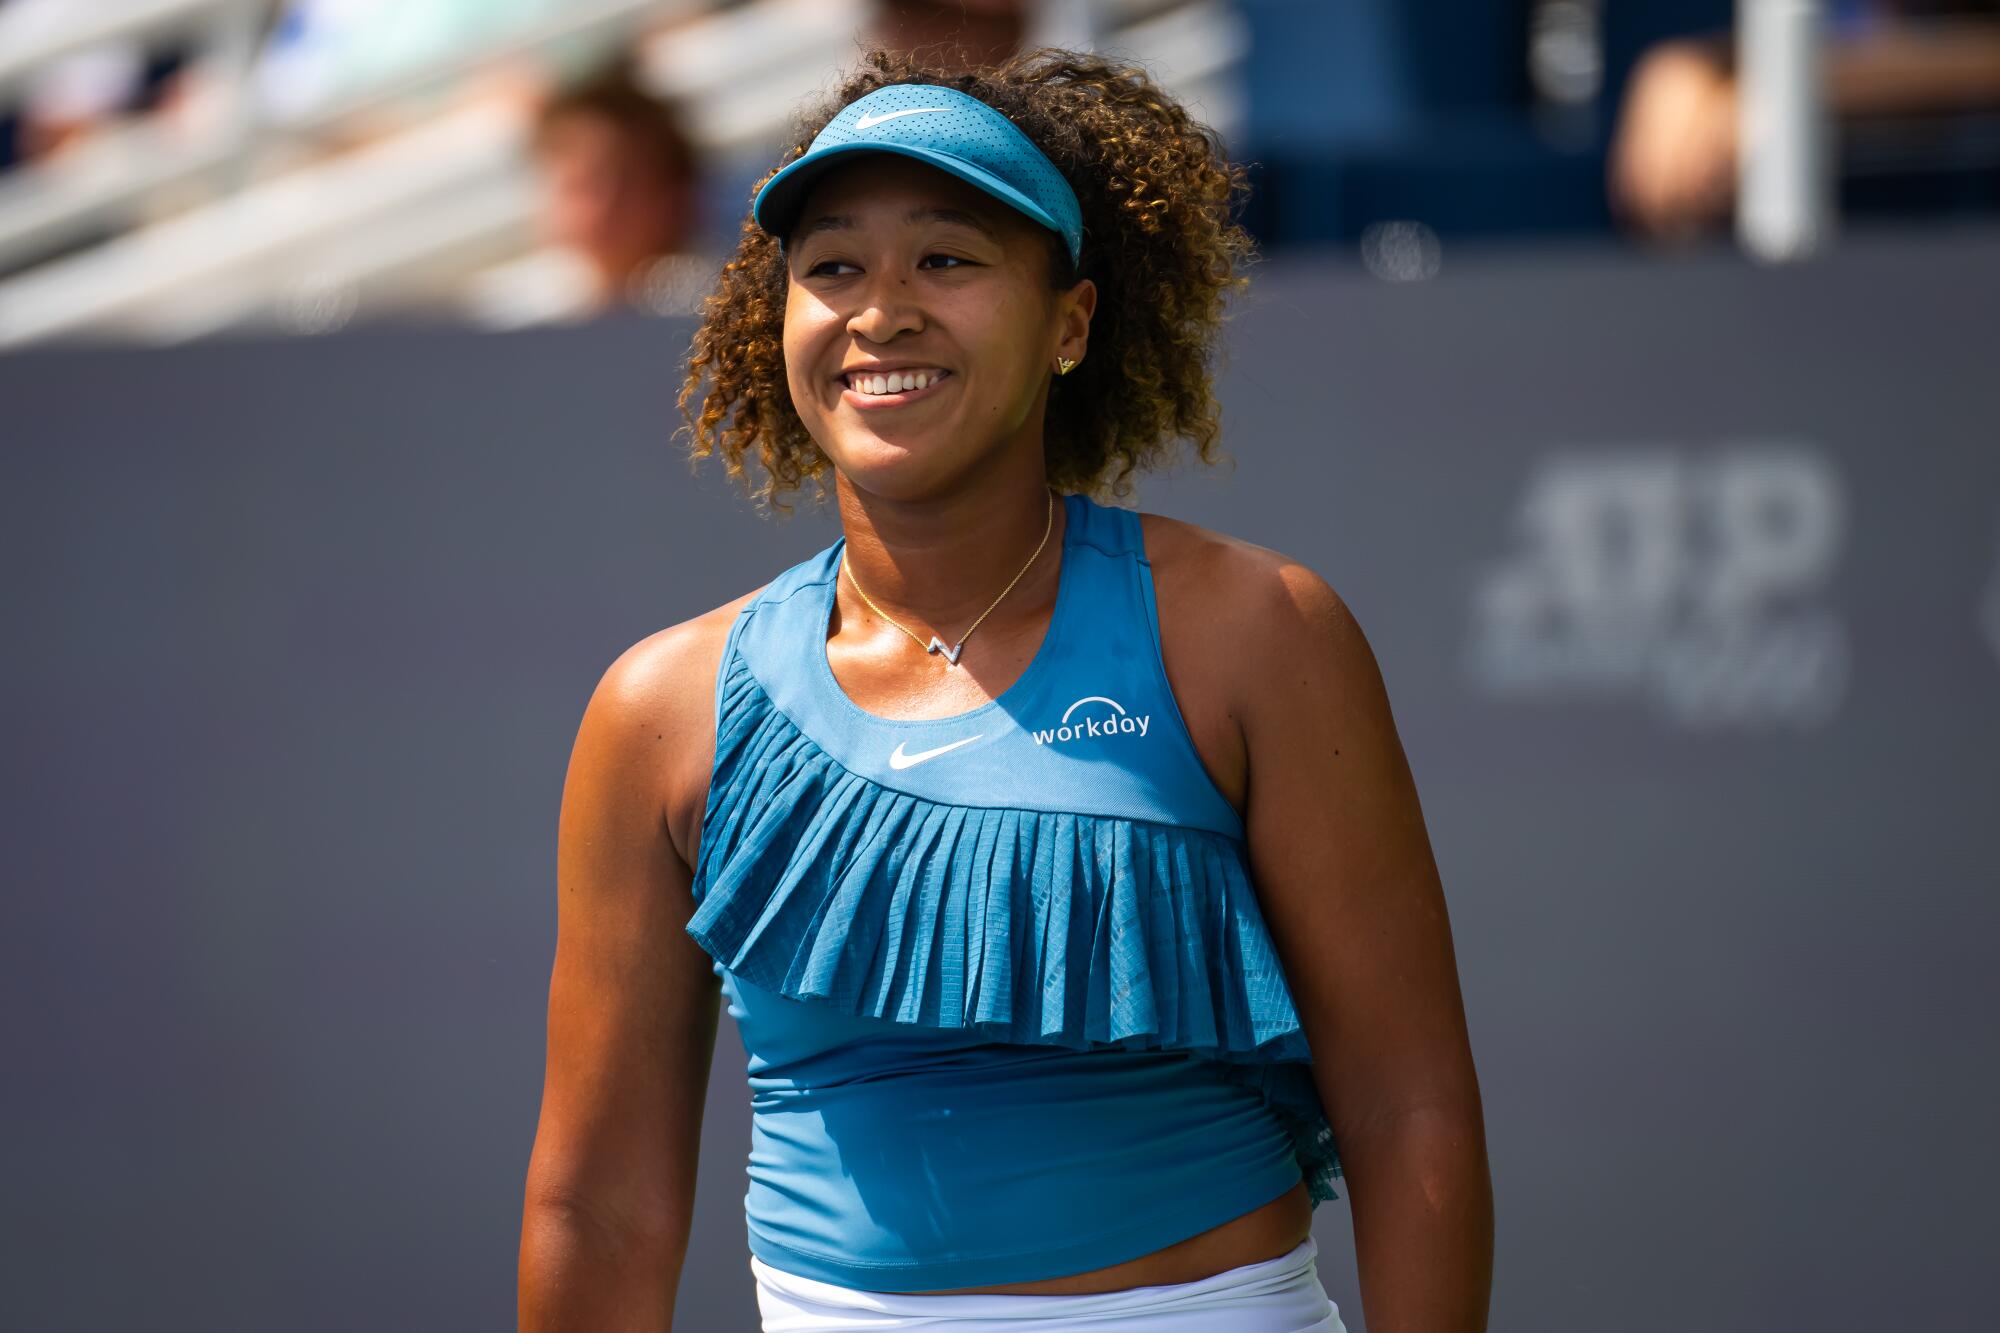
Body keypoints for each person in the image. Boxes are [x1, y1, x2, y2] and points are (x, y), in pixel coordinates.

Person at [519, 46, 1493, 1333]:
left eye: (946, 258)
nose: (880, 311)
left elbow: (1406, 1107)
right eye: (831, 267)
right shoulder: (659, 709)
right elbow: (600, 1209)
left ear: (1071, 324)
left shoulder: (1258, 633)